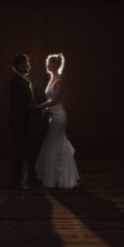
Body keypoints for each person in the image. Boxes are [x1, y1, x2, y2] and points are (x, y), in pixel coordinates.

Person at [34, 53, 79, 189]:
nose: (47, 65)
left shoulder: (60, 80)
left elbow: (55, 100)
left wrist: (38, 107)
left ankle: (58, 177)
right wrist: (46, 111)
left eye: (49, 62)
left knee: (54, 143)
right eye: (47, 62)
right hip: (53, 115)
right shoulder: (51, 77)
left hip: (59, 116)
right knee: (56, 143)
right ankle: (57, 175)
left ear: (56, 65)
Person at [8, 53, 40, 189]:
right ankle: (18, 182)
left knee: (28, 151)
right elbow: (24, 104)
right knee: (21, 152)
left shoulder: (20, 80)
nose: (29, 66)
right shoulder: (18, 81)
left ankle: (29, 179)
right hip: (21, 123)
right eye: (27, 63)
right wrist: (41, 111)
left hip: (22, 122)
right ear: (20, 65)